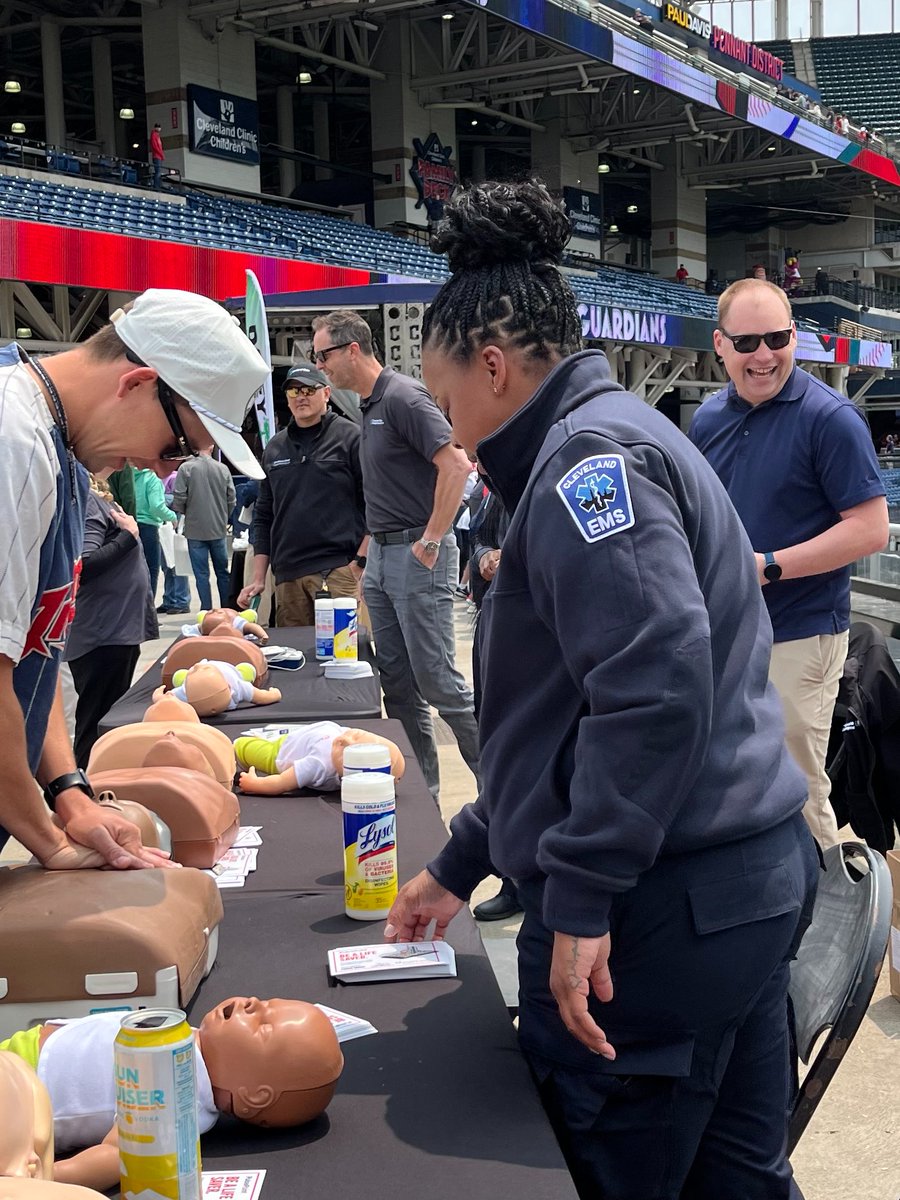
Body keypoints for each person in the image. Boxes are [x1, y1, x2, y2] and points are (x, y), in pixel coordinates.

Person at [385, 180, 818, 1200]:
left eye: (446, 398)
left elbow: (654, 688)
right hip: (731, 889)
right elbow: (563, 721)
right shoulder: (606, 432)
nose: (451, 428)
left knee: (613, 1170)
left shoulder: (588, 460)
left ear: (494, 367)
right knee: (738, 1181)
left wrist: (580, 893)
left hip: (664, 909)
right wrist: (467, 856)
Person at [0, 286, 268, 872]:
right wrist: (48, 841)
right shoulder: (12, 442)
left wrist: (68, 790)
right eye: (177, 446)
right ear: (138, 383)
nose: (162, 467)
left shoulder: (61, 456)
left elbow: (32, 657)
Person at [690, 278, 888, 849]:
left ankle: (830, 905)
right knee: (732, 779)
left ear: (794, 338)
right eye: (747, 342)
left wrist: (768, 566)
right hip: (728, 628)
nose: (763, 355)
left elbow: (871, 529)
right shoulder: (707, 418)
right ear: (720, 344)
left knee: (795, 788)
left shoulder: (832, 418)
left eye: (776, 339)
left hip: (801, 630)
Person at [311, 310, 479, 798]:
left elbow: (457, 466)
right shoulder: (370, 406)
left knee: (438, 682)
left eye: (323, 355)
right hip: (386, 555)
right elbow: (389, 490)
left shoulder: (403, 396)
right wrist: (370, 559)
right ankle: (424, 794)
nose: (320, 367)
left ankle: (502, 787)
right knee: (399, 686)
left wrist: (432, 538)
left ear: (353, 349)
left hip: (416, 552)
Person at [0, 998, 343, 1192]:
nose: (252, 1004)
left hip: (19, 1097)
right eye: (267, 1001)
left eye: (263, 1027)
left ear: (254, 1097)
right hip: (22, 1051)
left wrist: (44, 1181)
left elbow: (117, 1155)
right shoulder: (185, 1039)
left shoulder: (178, 1094)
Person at [237, 364, 367, 625]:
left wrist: (359, 563)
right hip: (288, 576)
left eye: (309, 390)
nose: (301, 397)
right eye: (294, 391)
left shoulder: (351, 437)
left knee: (343, 648)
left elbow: (373, 504)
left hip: (338, 571)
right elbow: (263, 516)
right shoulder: (275, 447)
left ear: (327, 393)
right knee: (294, 649)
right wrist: (259, 577)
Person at [64, 477, 158, 768]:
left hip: (114, 630)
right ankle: (86, 785)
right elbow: (85, 564)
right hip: (104, 634)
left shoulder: (94, 498)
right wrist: (128, 535)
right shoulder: (89, 502)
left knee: (105, 719)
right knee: (98, 723)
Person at [172, 445, 235, 611]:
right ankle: (226, 609)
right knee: (223, 572)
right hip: (218, 527)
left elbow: (179, 496)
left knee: (201, 574)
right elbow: (231, 498)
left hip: (195, 528)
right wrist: (223, 516)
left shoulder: (185, 468)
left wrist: (186, 513)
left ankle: (206, 610)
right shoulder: (223, 468)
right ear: (212, 447)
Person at [133, 465, 177, 604]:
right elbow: (156, 506)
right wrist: (172, 516)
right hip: (149, 526)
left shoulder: (129, 476)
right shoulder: (152, 478)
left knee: (134, 570)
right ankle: (148, 609)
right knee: (151, 569)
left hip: (130, 525)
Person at [158, 466, 190, 614]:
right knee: (166, 564)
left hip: (174, 523)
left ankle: (182, 601)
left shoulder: (175, 477)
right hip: (163, 525)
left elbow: (180, 500)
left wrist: (163, 500)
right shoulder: (156, 477)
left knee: (176, 563)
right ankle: (169, 599)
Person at [149, 122, 164, 191]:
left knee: (159, 172)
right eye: (158, 127)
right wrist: (161, 154)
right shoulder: (154, 135)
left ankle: (158, 186)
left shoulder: (157, 135)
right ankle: (156, 186)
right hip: (157, 156)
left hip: (158, 156)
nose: (159, 128)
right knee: (158, 172)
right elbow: (155, 147)